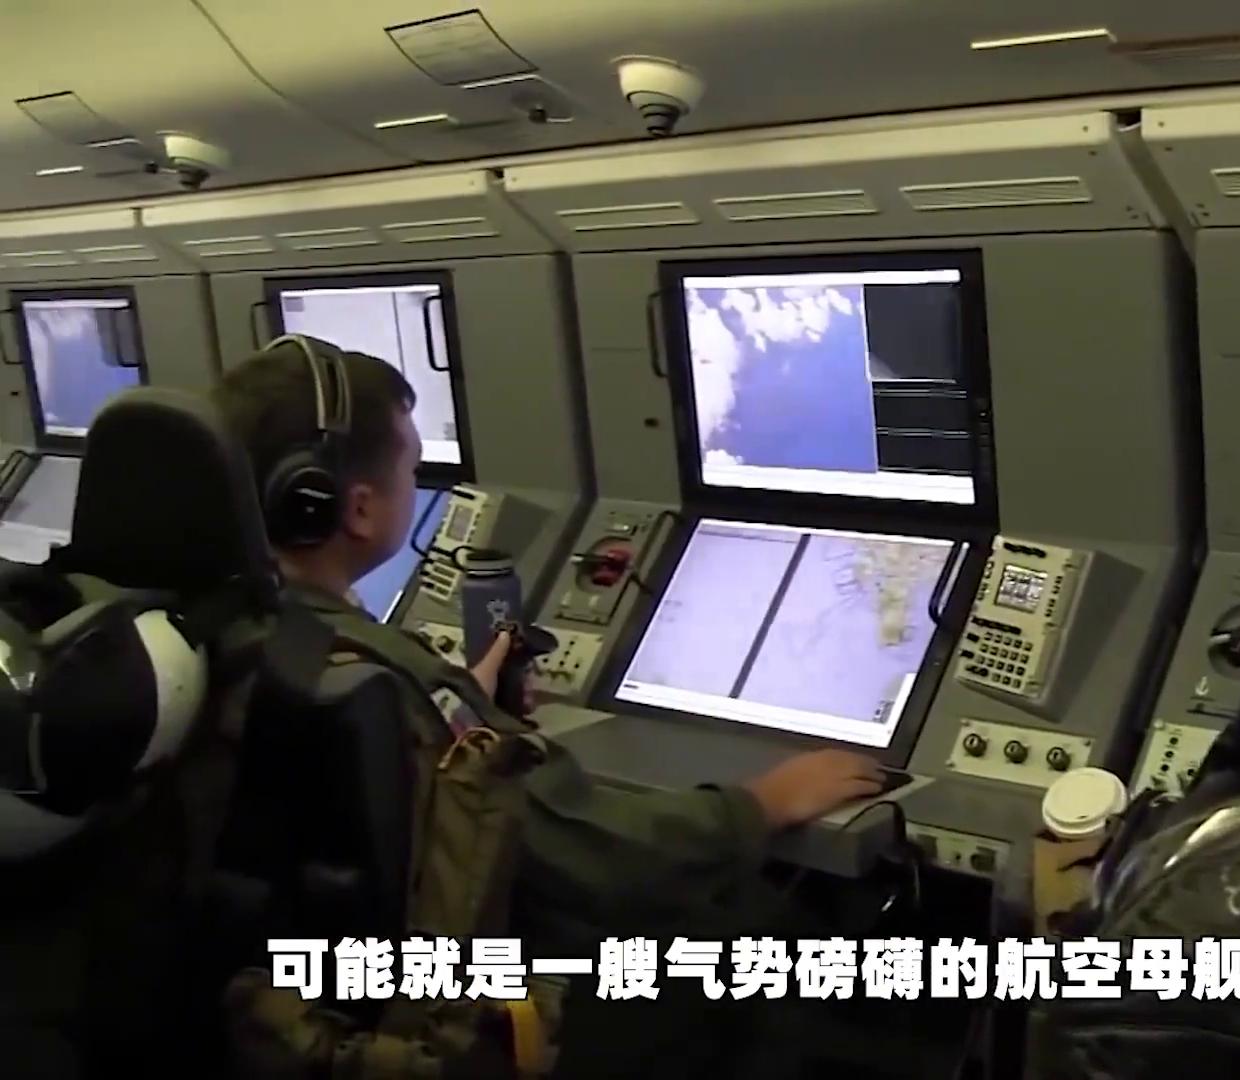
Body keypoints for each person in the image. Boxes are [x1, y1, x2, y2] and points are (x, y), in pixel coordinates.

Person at [211, 336, 882, 1073]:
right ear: (358, 509)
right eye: (411, 467)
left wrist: (462, 700)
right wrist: (763, 803)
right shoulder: (389, 682)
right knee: (757, 935)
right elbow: (597, 858)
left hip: (276, 999)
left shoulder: (214, 626)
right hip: (433, 1016)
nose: (417, 481)